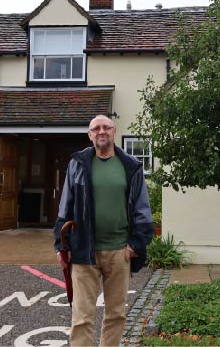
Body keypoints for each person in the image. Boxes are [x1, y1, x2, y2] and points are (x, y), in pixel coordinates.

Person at [53, 114, 154, 347]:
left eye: (106, 127)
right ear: (90, 135)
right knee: (81, 318)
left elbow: (142, 209)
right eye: (95, 128)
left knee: (116, 315)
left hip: (119, 251)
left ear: (114, 131)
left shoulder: (130, 166)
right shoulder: (77, 165)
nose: (101, 131)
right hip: (83, 252)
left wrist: (135, 245)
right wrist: (61, 246)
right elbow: (65, 207)